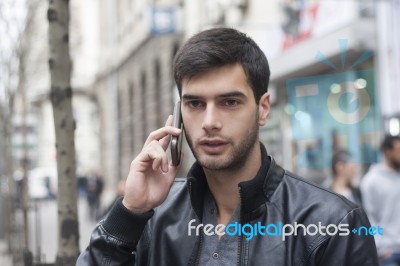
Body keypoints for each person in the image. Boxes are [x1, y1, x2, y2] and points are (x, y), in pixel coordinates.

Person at [77, 28, 378, 265]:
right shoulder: (155, 216)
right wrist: (130, 213)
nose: (209, 121)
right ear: (179, 114)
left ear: (263, 108)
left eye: (230, 102)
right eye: (195, 103)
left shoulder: (332, 222)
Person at [361, 134, 400, 266]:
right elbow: (369, 219)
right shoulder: (371, 181)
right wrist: (379, 247)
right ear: (387, 151)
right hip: (389, 253)